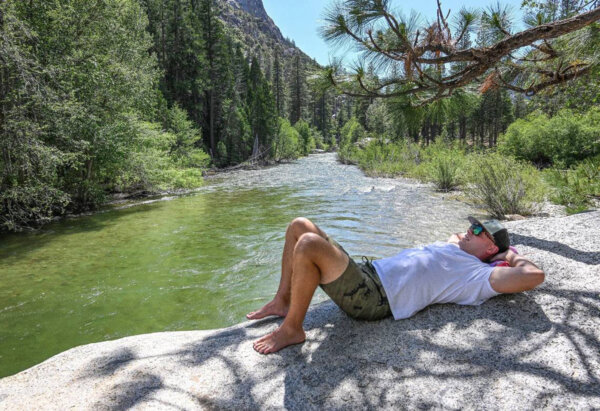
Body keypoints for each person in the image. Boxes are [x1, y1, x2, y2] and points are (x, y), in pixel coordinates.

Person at [248, 217, 545, 354]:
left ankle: (293, 328)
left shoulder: (477, 277)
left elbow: (534, 277)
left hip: (374, 298)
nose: (469, 230)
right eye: (471, 225)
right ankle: (282, 300)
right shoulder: (456, 247)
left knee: (310, 243)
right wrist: (475, 241)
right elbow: (457, 237)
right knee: (298, 226)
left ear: (491, 250)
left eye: (479, 230)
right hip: (368, 272)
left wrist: (510, 254)